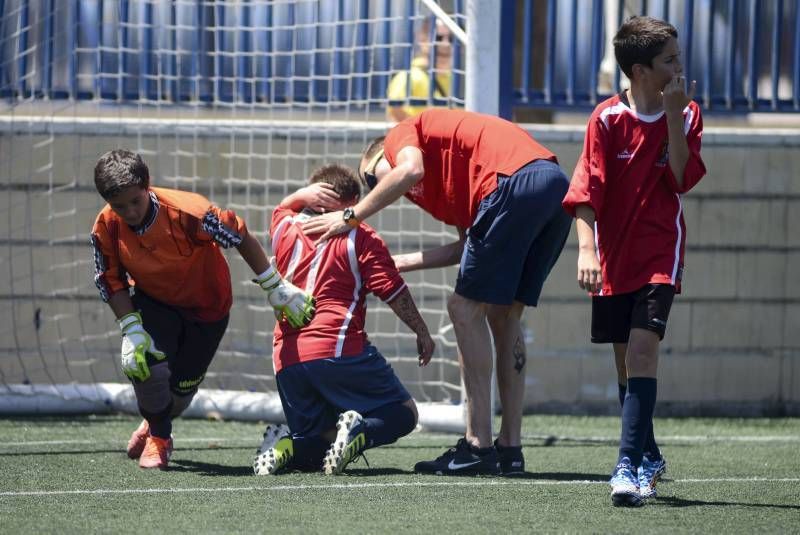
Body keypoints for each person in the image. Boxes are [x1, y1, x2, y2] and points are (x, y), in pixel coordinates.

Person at [303, 109, 572, 476]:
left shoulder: (401, 135)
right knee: (503, 314)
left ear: (383, 155)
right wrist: (396, 263)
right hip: (552, 187)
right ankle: (510, 449)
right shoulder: (448, 191)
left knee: (462, 309)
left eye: (372, 176)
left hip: (515, 182)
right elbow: (466, 248)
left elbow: (409, 170)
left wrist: (351, 216)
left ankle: (477, 446)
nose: (374, 185)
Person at [90, 149, 315, 470]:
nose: (129, 212)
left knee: (181, 391)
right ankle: (160, 436)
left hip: (208, 307)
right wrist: (131, 328)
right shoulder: (106, 227)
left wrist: (274, 286)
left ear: (147, 186)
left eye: (135, 202)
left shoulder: (189, 213)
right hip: (156, 303)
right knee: (144, 365)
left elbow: (240, 236)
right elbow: (109, 280)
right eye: (119, 206)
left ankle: (155, 420)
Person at [562, 16, 706, 506]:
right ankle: (649, 451)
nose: (679, 68)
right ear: (640, 70)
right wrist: (585, 248)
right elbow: (587, 193)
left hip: (660, 254)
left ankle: (628, 466)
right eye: (670, 61)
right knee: (625, 365)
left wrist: (671, 118)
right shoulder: (604, 119)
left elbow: (683, 178)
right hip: (613, 258)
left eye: (678, 58)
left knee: (644, 351)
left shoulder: (686, 115)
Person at [253, 164, 435, 476]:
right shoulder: (360, 236)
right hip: (337, 349)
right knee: (404, 414)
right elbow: (392, 291)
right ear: (352, 204)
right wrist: (422, 331)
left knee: (318, 446)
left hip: (287, 360)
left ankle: (285, 445)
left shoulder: (283, 227)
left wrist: (297, 196)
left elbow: (282, 208)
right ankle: (360, 428)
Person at [385, 16, 453, 122]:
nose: (446, 44)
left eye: (452, 39)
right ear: (422, 39)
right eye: (438, 38)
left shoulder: (454, 78)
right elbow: (395, 112)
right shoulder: (409, 76)